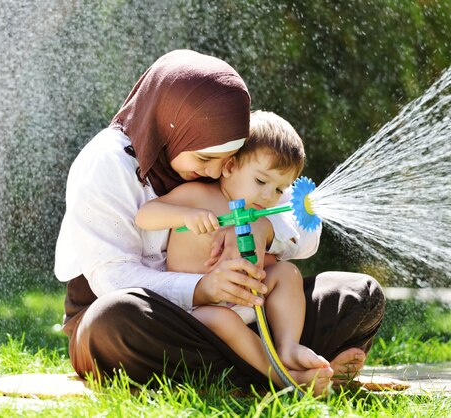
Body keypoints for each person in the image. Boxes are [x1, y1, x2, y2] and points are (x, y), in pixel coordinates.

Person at [54, 49, 386, 392]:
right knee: (113, 321)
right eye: (205, 158)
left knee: (360, 296)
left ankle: (274, 365)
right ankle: (283, 374)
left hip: (248, 314)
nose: (217, 171)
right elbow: (113, 278)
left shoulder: (235, 155)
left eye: (227, 160)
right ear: (176, 127)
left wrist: (265, 229)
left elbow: (303, 225)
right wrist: (203, 289)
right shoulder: (106, 163)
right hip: (161, 323)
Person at [135, 110, 333, 395]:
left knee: (288, 273)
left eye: (279, 189)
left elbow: (276, 253)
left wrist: (265, 254)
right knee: (223, 319)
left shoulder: (260, 217)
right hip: (198, 312)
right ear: (229, 167)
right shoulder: (197, 196)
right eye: (261, 182)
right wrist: (185, 217)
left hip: (246, 303)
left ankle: (288, 345)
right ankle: (278, 375)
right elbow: (145, 215)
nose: (268, 196)